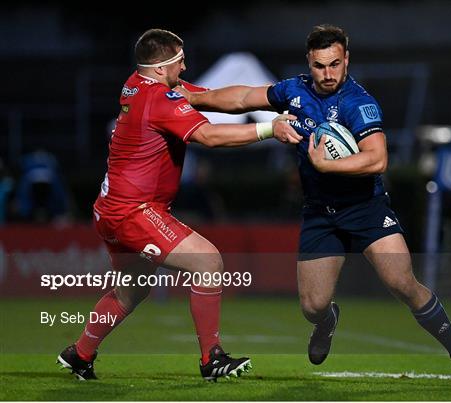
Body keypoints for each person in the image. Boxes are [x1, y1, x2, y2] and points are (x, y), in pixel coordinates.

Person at [178, 24, 451, 388]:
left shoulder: (360, 103)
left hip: (366, 209)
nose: (328, 74)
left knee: (402, 282)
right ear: (309, 63)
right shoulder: (294, 90)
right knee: (313, 306)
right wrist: (195, 98)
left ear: (346, 61)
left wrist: (327, 165)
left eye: (335, 64)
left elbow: (377, 160)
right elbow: (244, 97)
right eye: (320, 66)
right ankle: (327, 321)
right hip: (320, 213)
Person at [57, 28, 300, 382]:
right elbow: (210, 136)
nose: (185, 66)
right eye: (179, 60)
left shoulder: (136, 84)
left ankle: (79, 354)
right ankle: (211, 359)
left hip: (110, 209)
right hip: (134, 211)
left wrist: (281, 97)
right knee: (207, 261)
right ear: (159, 68)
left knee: (131, 291)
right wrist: (268, 130)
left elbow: (224, 97)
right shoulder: (160, 99)